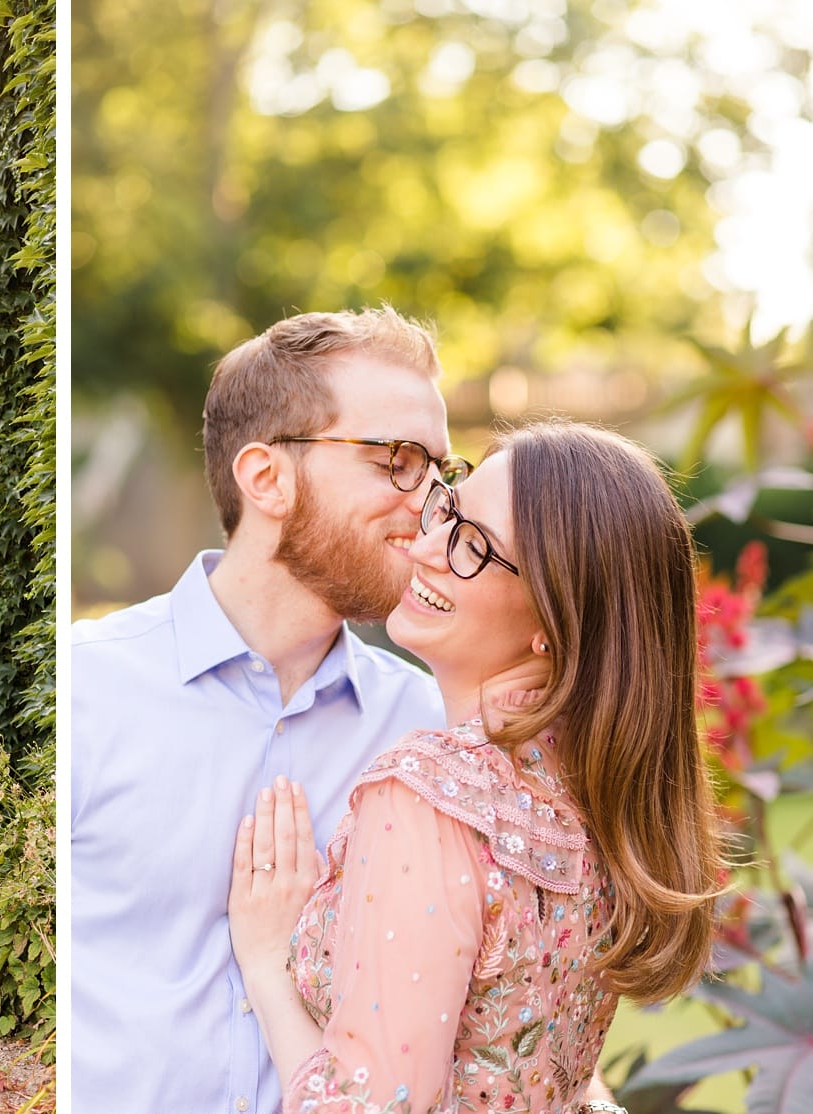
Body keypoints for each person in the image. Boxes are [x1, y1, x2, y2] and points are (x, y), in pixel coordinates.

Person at [227, 422, 724, 1113]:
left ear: (556, 617)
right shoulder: (604, 793)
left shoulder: (431, 795)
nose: (425, 546)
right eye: (447, 511)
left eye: (472, 546)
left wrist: (266, 965)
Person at [72, 307, 469, 1113]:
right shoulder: (87, 692)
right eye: (397, 460)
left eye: (440, 470)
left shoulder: (432, 733)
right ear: (266, 478)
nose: (433, 504)